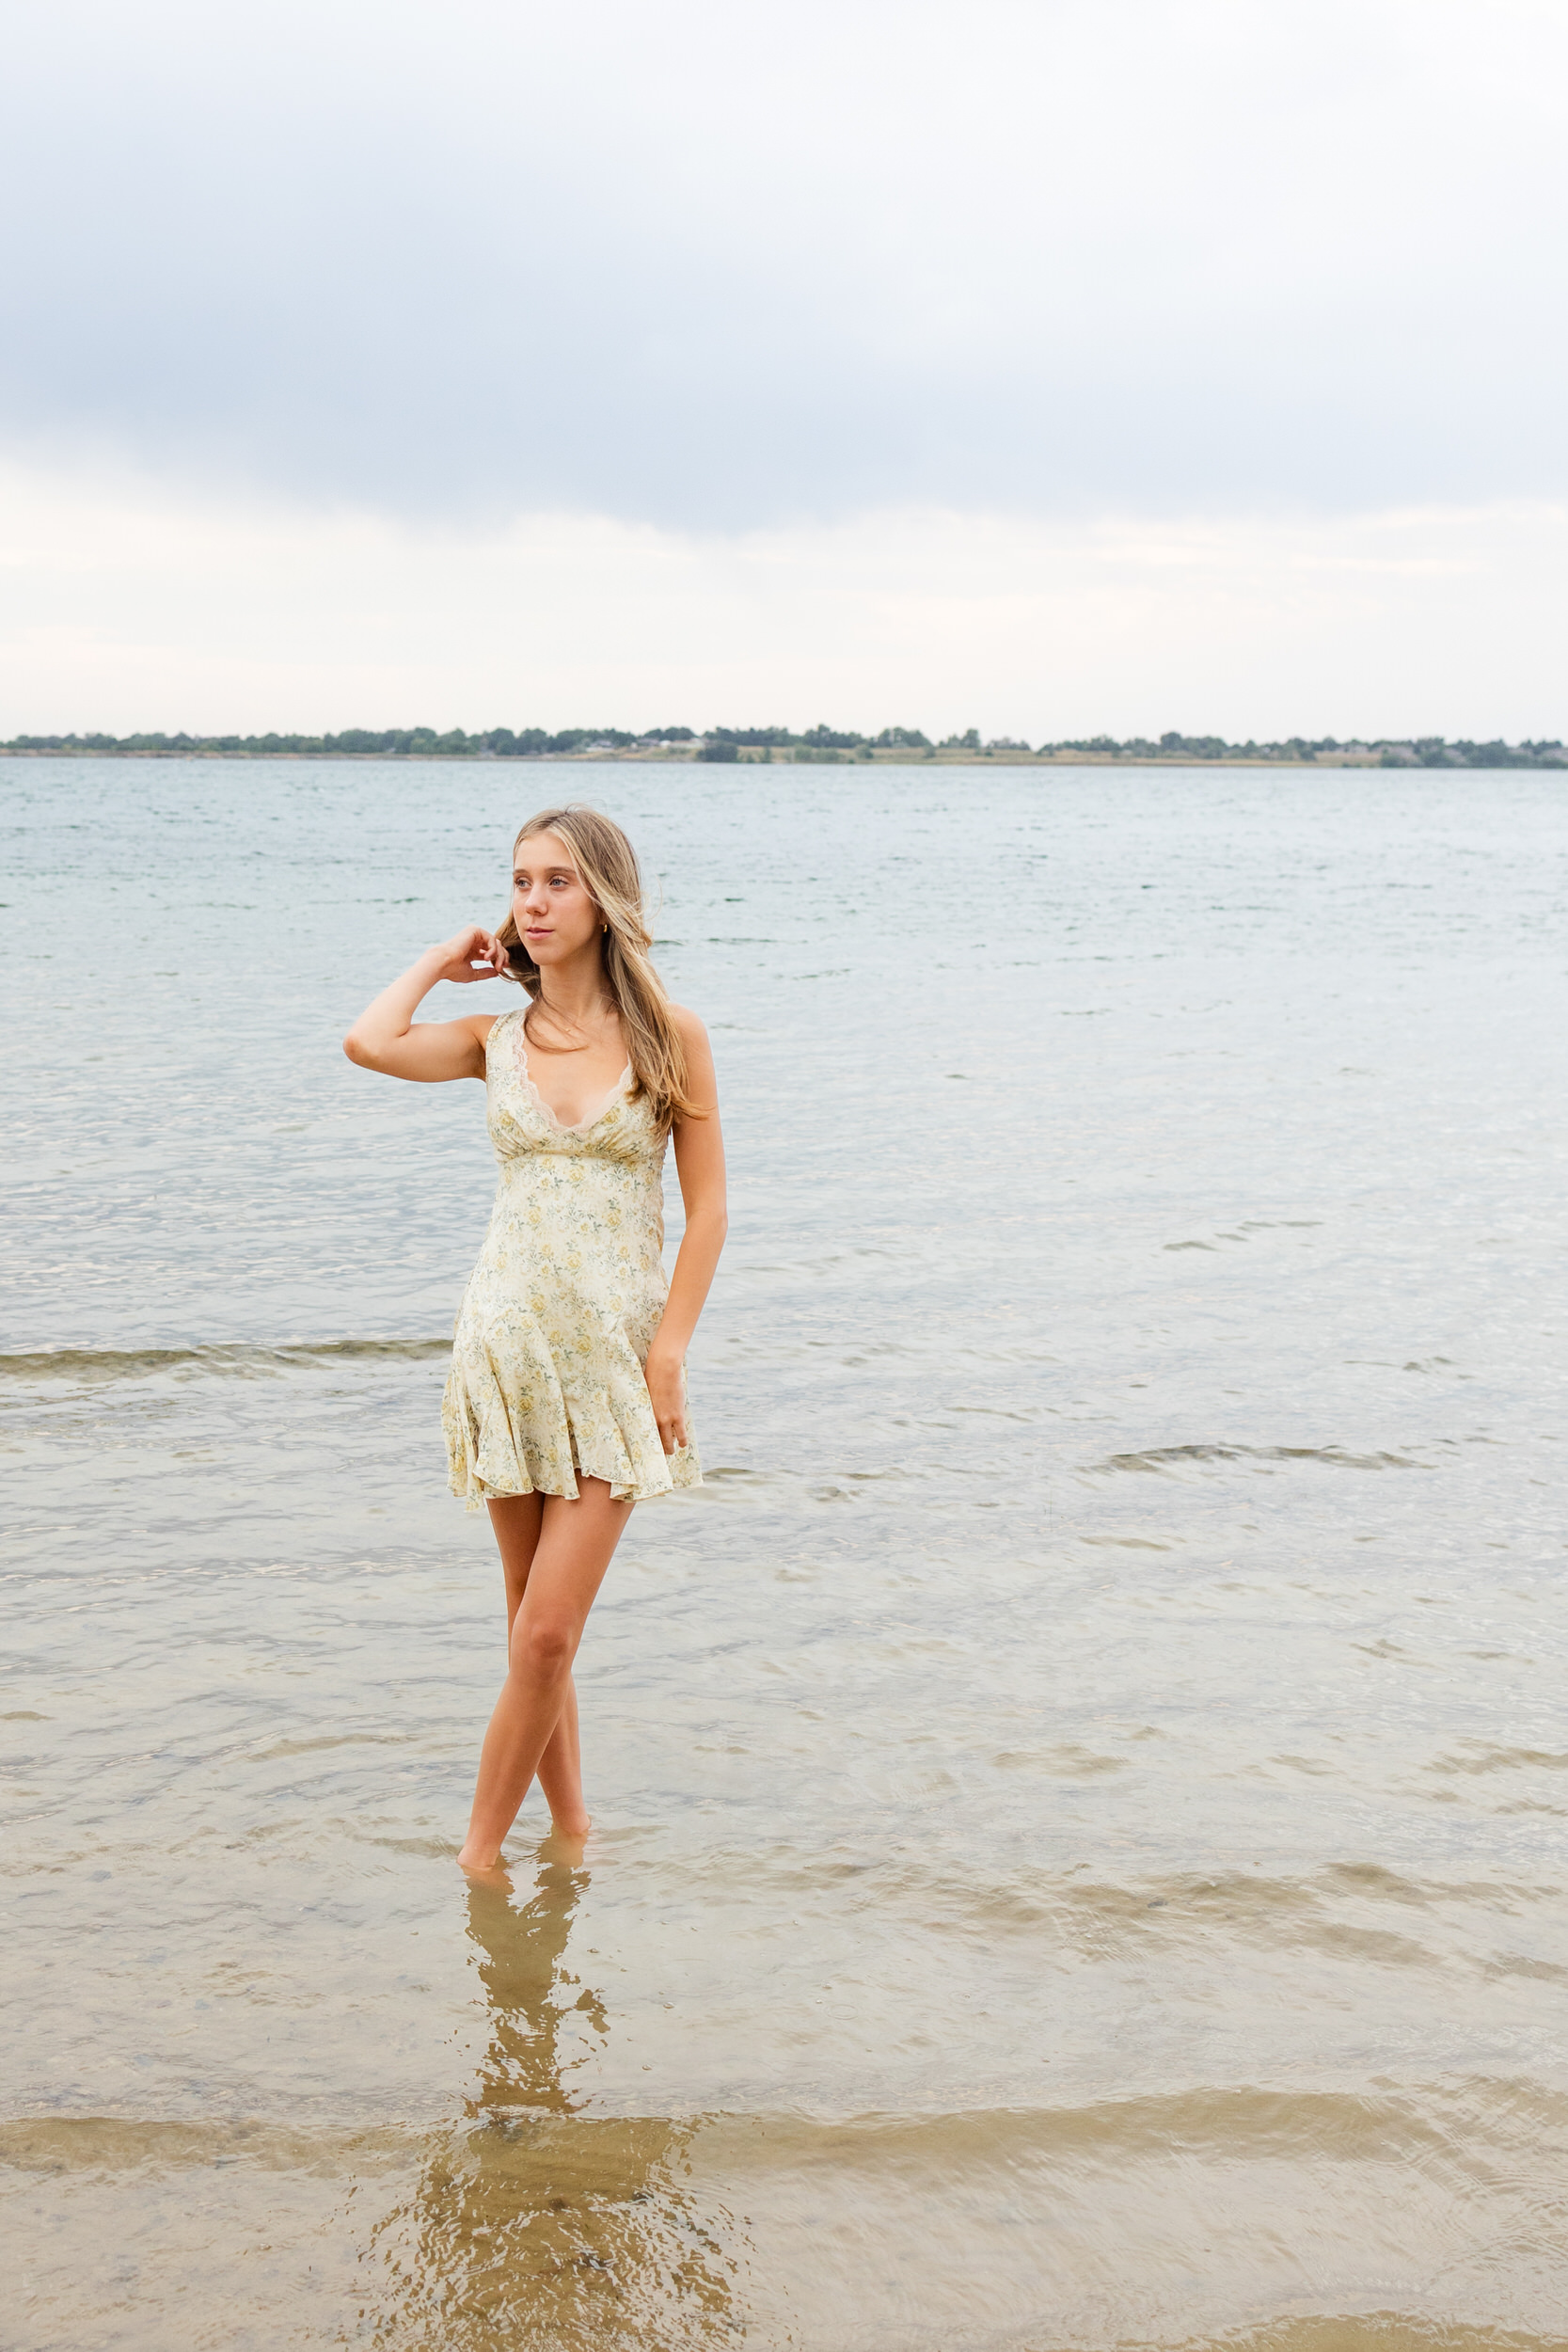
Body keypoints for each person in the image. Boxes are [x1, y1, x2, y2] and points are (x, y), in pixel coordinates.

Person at [344, 805, 726, 1871]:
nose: (534, 902)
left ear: (603, 897)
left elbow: (710, 1214)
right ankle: (568, 1831)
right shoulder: (493, 1040)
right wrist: (437, 958)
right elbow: (366, 1041)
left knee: (547, 1632)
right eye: (520, 882)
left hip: (611, 1367)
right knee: (530, 1629)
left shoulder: (669, 1037)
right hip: (504, 1352)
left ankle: (475, 1861)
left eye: (557, 881)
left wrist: (667, 1355)